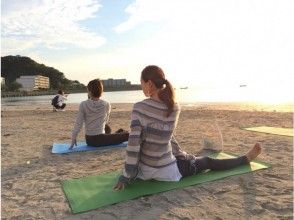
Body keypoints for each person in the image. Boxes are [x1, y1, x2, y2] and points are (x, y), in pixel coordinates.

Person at [114, 65, 262, 190]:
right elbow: (166, 136)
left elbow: (134, 145)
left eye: (142, 84)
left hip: (144, 171)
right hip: (167, 171)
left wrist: (127, 176)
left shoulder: (139, 108)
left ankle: (245, 158)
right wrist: (182, 155)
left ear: (150, 84)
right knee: (208, 162)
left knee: (191, 159)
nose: (142, 88)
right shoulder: (174, 107)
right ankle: (245, 159)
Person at [70, 79, 129, 149]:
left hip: (89, 140)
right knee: (127, 135)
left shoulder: (83, 104)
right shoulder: (106, 104)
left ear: (89, 91)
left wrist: (74, 137)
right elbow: (106, 120)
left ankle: (118, 134)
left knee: (111, 129)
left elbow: (78, 123)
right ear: (101, 91)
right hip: (99, 140)